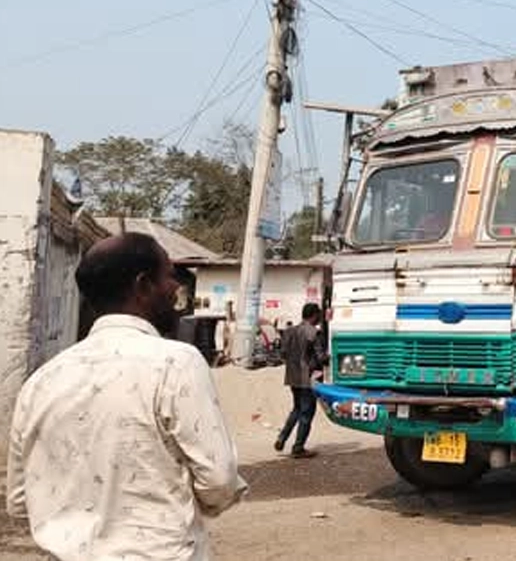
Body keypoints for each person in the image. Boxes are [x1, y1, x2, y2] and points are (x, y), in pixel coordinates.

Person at [6, 233, 247, 560]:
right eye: (169, 276)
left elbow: (20, 500)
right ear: (143, 285)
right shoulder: (176, 364)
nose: (176, 287)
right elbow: (219, 482)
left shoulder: (41, 381)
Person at [275, 302, 329, 458]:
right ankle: (298, 447)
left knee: (296, 409)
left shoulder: (290, 331)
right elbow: (321, 358)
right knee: (307, 413)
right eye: (318, 314)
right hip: (308, 378)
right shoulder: (314, 333)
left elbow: (283, 354)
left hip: (292, 376)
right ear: (314, 315)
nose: (319, 318)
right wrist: (330, 358)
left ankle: (282, 437)